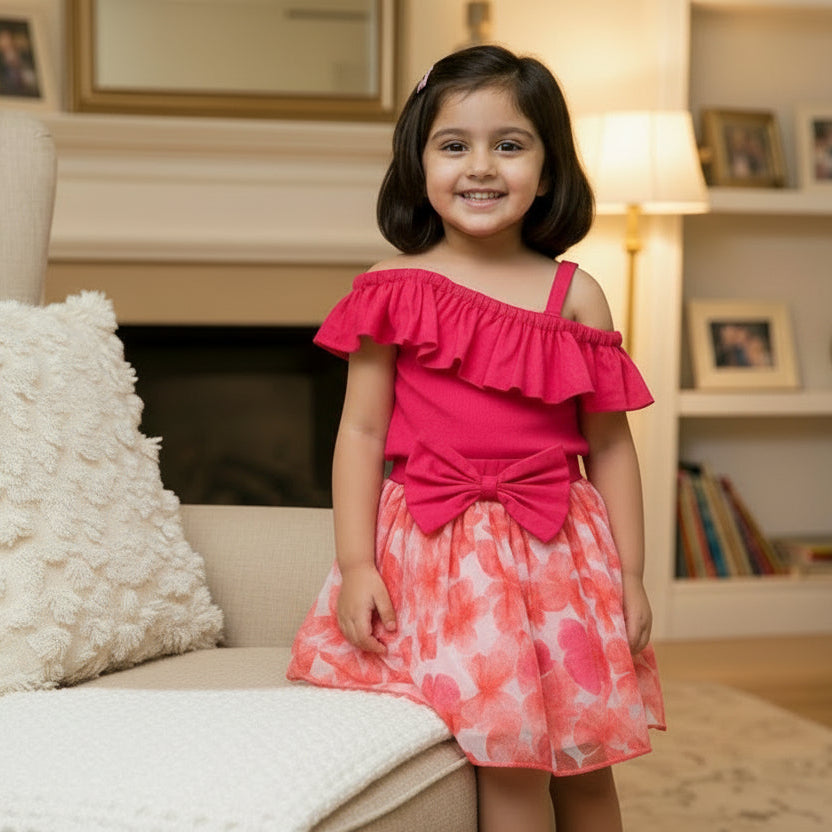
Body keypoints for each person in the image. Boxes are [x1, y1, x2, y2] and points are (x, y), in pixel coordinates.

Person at [287, 44, 665, 832]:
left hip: (561, 553)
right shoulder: (392, 289)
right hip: (440, 557)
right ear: (417, 162)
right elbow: (359, 430)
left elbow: (613, 446)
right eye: (454, 145)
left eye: (510, 144)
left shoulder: (577, 295)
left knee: (588, 766)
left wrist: (630, 575)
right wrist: (357, 562)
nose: (481, 167)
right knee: (510, 766)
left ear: (549, 166)